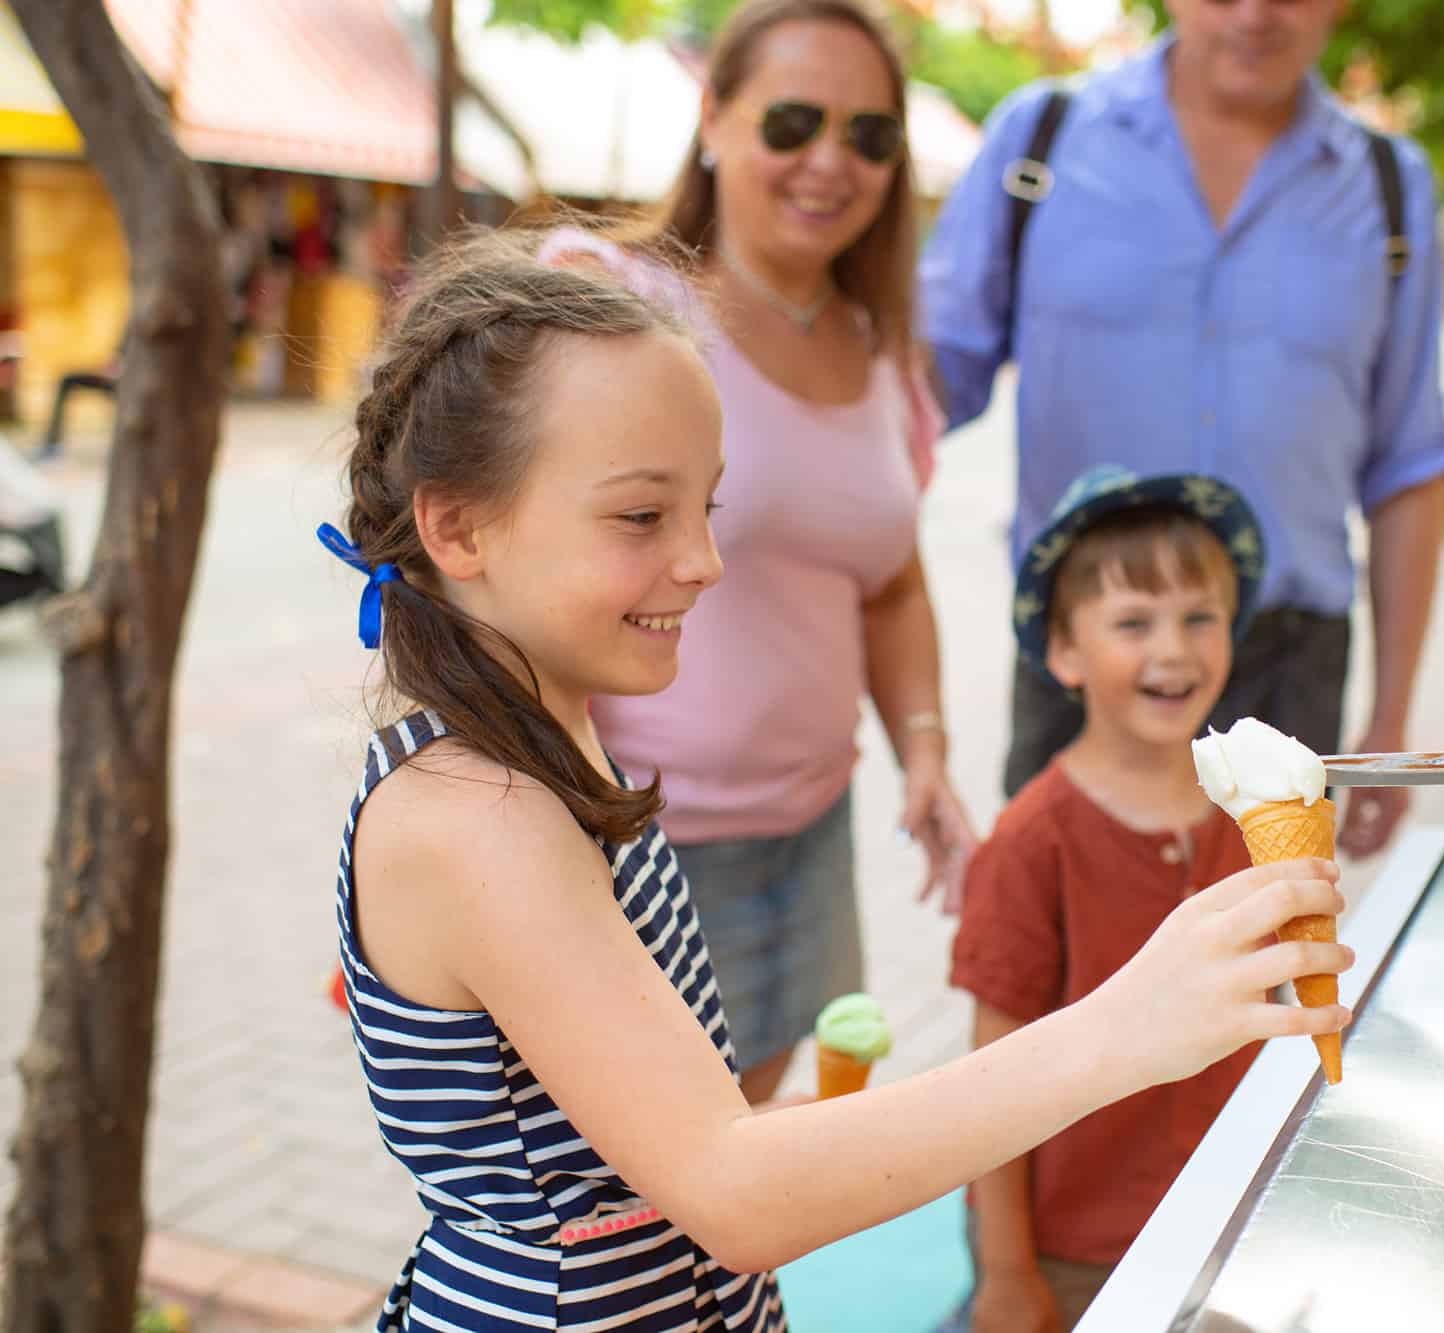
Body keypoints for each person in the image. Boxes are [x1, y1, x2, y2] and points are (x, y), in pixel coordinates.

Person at [318, 226, 1351, 1332]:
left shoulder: (545, 744)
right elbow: (733, 1193)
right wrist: (1125, 1025)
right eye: (639, 516)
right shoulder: (480, 811)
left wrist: (817, 1122)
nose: (703, 560)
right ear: (457, 525)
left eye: (706, 508)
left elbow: (654, 1141)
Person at [536, 0, 976, 1106]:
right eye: (793, 121)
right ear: (714, 118)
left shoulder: (881, 352)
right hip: (638, 849)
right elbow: (480, 569)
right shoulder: (610, 299)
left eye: (870, 135)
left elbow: (890, 580)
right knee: (636, 1186)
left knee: (759, 1145)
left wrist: (922, 746)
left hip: (811, 836)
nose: (831, 160)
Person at [921, 0, 1444, 860]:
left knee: (1268, 973)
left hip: (1289, 666)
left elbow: (1410, 463)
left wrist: (1391, 722)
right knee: (1066, 981)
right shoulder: (1041, 141)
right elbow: (922, 386)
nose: (1254, 13)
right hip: (1082, 659)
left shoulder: (1392, 187)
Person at [947, 465, 1269, 1331]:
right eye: (1134, 622)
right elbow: (989, 1086)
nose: (1174, 649)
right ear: (1063, 652)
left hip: (1225, 1221)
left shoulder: (1252, 813)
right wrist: (1008, 1272)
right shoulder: (1030, 841)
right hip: (1074, 1250)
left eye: (1201, 616)